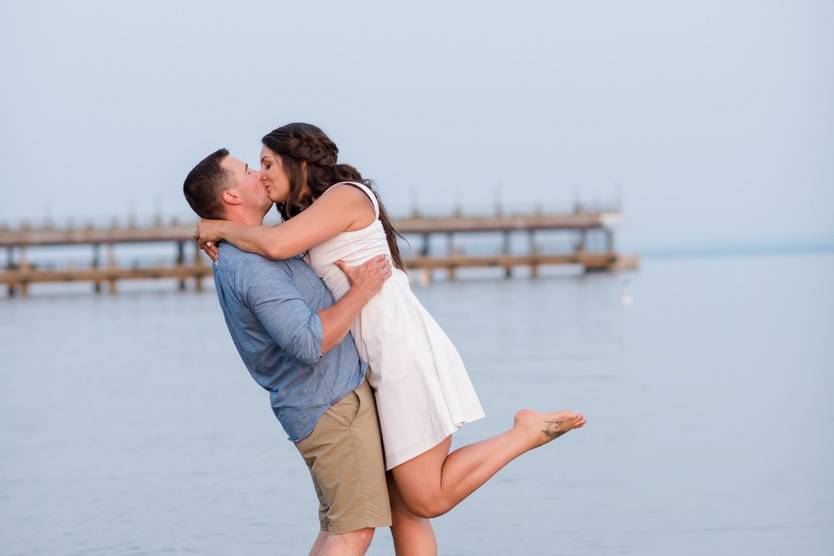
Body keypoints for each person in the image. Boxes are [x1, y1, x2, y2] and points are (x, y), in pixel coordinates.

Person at [194, 123, 587, 551]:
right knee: (403, 510)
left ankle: (524, 432)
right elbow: (276, 248)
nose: (262, 174)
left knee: (426, 497)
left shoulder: (346, 195)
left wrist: (219, 228)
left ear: (298, 162)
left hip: (397, 350)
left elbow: (274, 245)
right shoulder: (305, 220)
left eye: (267, 163)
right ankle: (524, 432)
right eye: (255, 167)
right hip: (367, 363)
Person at [183, 149, 393, 556]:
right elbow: (309, 342)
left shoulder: (252, 248)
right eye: (247, 170)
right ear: (230, 197)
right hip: (330, 404)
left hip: (322, 403)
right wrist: (362, 291)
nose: (259, 175)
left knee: (339, 526)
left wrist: (213, 227)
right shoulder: (250, 266)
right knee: (354, 530)